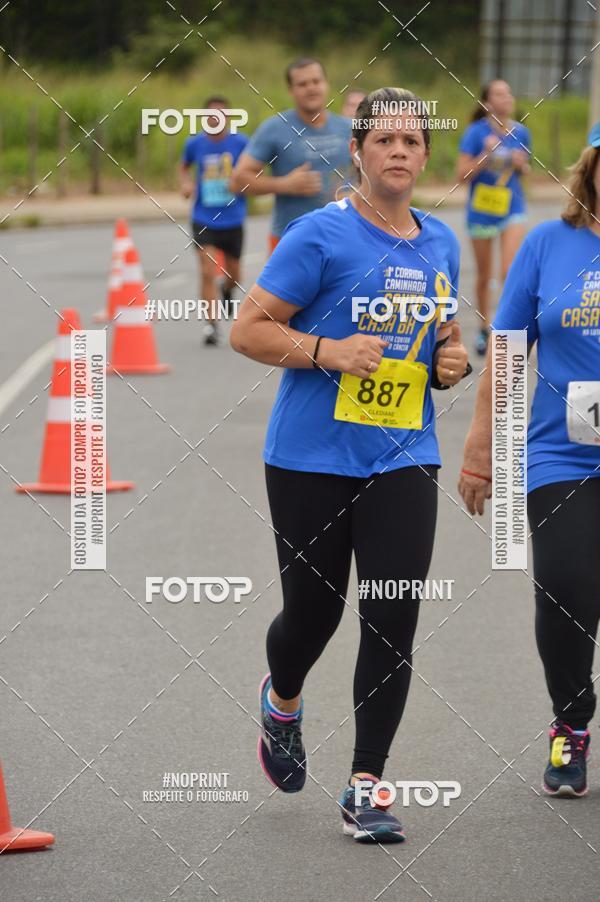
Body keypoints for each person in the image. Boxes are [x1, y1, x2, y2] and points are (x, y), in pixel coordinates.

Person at [231, 87, 470, 842]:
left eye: (412, 142)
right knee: (315, 614)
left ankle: (367, 784)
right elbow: (248, 330)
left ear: (426, 155)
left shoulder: (440, 241)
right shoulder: (318, 236)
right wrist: (327, 351)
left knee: (393, 614)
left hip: (404, 454)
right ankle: (285, 698)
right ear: (359, 151)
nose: (399, 152)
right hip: (309, 459)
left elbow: (443, 328)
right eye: (384, 141)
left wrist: (450, 359)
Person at [460, 124, 600, 798]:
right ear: (591, 167)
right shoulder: (549, 244)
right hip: (560, 454)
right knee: (567, 590)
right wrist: (481, 445)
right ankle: (571, 724)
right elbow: (507, 349)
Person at [229, 58, 351, 254]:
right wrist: (285, 185)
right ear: (291, 90)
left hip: (345, 236)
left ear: (326, 84)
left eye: (316, 81)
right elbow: (237, 182)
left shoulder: (348, 128)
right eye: (302, 84)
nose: (311, 88)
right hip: (291, 240)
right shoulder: (275, 129)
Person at [456, 79, 531, 356]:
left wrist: (523, 166)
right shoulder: (475, 133)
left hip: (512, 208)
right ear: (487, 103)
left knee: (509, 270)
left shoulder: (522, 133)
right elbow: (461, 176)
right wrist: (485, 154)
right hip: (482, 210)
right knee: (485, 275)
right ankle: (484, 328)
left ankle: (507, 328)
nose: (507, 97)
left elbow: (526, 172)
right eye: (500, 93)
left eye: (509, 92)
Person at [180, 96, 248, 346]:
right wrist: (186, 183)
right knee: (207, 270)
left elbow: (255, 170)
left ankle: (228, 290)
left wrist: (244, 182)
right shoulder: (194, 144)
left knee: (235, 275)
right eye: (211, 115)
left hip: (233, 217)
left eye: (221, 115)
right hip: (203, 217)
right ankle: (211, 325)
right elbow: (183, 166)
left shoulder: (241, 143)